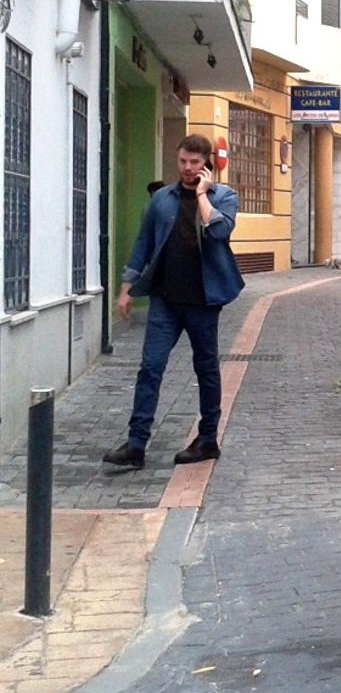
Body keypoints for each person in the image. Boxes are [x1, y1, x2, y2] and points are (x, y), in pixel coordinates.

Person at [102, 135, 244, 469]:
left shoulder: (224, 196)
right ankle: (136, 445)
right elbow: (143, 244)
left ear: (206, 164)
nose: (187, 168)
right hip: (165, 299)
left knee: (205, 368)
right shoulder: (162, 199)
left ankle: (207, 439)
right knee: (150, 367)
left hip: (203, 301)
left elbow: (219, 232)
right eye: (183, 161)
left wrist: (202, 194)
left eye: (195, 163)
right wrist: (126, 289)